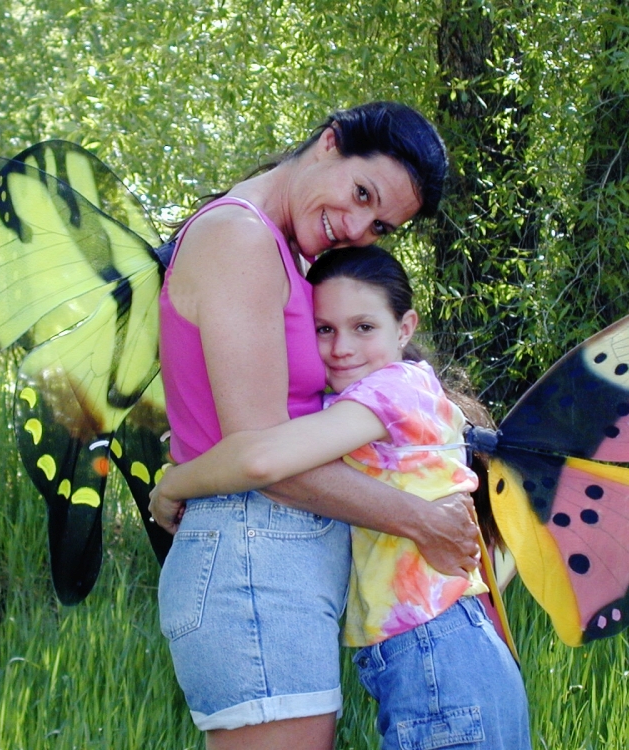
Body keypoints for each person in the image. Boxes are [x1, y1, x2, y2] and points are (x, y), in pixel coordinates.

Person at [152, 101, 482, 750]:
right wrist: (421, 521)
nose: (357, 228)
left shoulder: (278, 247)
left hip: (270, 559)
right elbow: (263, 460)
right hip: (252, 553)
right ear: (330, 143)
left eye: (380, 226)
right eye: (362, 193)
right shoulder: (241, 237)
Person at [153, 245, 531, 749]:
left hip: (437, 652)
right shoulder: (390, 394)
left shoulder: (390, 391)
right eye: (324, 329)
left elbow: (264, 459)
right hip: (442, 646)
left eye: (364, 327)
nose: (341, 348)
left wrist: (174, 483)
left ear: (405, 328)